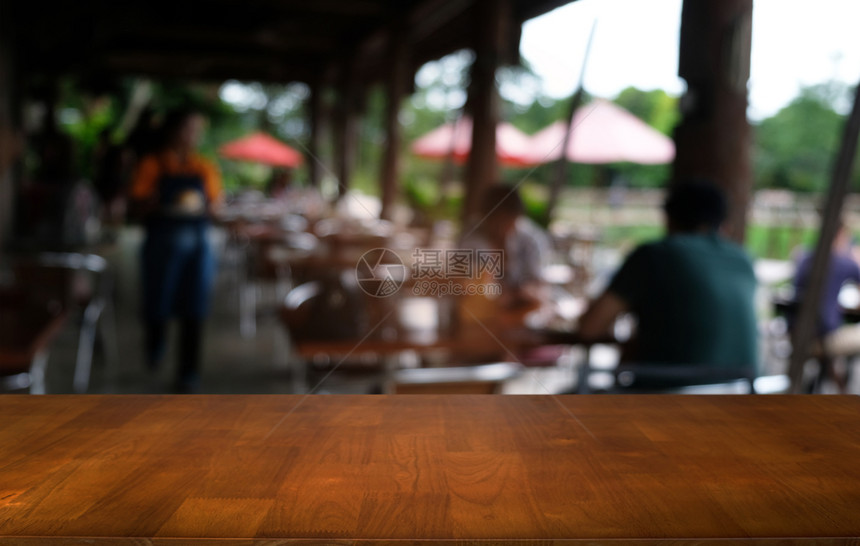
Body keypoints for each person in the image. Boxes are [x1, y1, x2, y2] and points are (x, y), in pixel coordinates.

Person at [578, 179, 759, 389]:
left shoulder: (654, 255)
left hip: (671, 397)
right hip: (743, 394)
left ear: (668, 218)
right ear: (724, 223)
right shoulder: (742, 259)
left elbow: (590, 328)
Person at [129, 108, 223, 393]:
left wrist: (208, 208)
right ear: (173, 131)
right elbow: (136, 205)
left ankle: (188, 372)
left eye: (197, 130)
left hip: (197, 245)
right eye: (188, 128)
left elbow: (217, 205)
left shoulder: (203, 166)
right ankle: (155, 343)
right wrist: (156, 205)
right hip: (161, 243)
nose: (193, 136)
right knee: (157, 301)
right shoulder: (153, 164)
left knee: (194, 307)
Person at [793, 221, 860, 393]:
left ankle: (825, 382)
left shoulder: (804, 257)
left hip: (795, 335)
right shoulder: (844, 261)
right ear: (840, 235)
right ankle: (843, 388)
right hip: (823, 338)